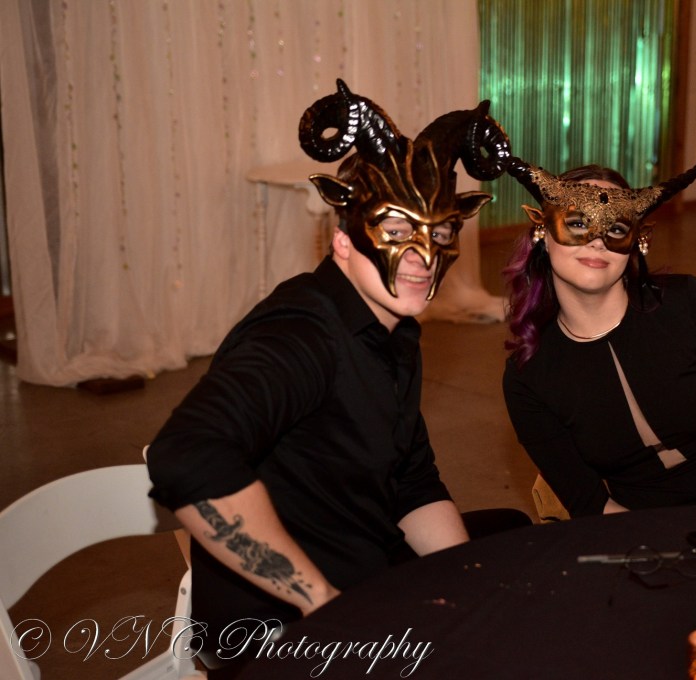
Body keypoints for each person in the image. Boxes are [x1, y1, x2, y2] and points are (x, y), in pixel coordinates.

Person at [146, 79, 525, 675]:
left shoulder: (394, 327)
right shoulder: (299, 334)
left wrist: (463, 587)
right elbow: (184, 456)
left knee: (515, 551)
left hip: (366, 565)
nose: (423, 258)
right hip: (281, 630)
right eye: (396, 232)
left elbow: (411, 479)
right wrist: (320, 602)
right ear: (343, 240)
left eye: (439, 232)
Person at [501, 149, 696, 518]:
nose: (598, 242)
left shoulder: (689, 305)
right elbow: (589, 502)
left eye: (616, 228)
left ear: (636, 240)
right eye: (578, 223)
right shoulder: (528, 376)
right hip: (636, 526)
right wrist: (650, 544)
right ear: (542, 231)